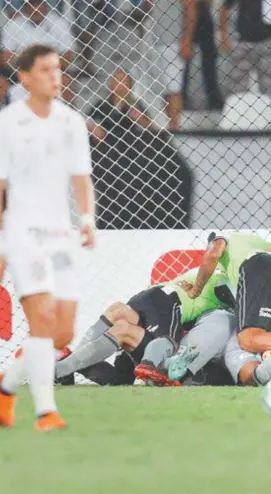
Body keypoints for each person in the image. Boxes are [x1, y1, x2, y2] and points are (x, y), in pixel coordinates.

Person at [0, 44, 95, 431]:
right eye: (45, 70)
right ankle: (46, 412)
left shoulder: (71, 122)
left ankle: (6, 386)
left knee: (62, 332)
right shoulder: (7, 124)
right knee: (41, 320)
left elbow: (82, 178)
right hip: (23, 234)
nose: (55, 76)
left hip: (61, 235)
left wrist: (88, 220)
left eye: (58, 69)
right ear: (25, 77)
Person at [55, 267, 234, 386]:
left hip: (145, 297)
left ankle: (71, 361)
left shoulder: (200, 272)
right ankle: (149, 365)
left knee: (121, 379)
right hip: (167, 301)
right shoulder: (224, 278)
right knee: (168, 342)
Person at [89, 69, 191, 229]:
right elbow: (91, 123)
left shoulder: (135, 106)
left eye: (124, 81)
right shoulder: (102, 106)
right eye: (117, 81)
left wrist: (140, 119)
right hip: (108, 154)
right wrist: (93, 129)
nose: (120, 85)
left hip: (132, 155)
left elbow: (150, 130)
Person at [183, 232, 271, 387]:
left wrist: (195, 289)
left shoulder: (224, 238)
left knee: (248, 338)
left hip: (258, 267)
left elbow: (213, 254)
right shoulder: (254, 241)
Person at [1, 0, 77, 103]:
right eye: (32, 4)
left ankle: (66, 116)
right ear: (25, 6)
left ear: (45, 4)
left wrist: (46, 70)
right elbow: (6, 58)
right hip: (22, 72)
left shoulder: (59, 23)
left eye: (39, 3)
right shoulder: (14, 25)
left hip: (51, 72)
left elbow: (67, 54)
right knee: (0, 83)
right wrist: (27, 70)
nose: (36, 8)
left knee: (66, 81)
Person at [149, 0, 198, 130]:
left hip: (173, 43)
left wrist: (187, 39)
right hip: (152, 42)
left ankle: (174, 127)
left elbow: (191, 8)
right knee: (160, 89)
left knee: (174, 88)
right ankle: (164, 127)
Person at [220, 0, 271, 98]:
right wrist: (224, 37)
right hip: (243, 41)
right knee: (237, 86)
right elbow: (224, 8)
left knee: (268, 84)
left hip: (267, 41)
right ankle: (237, 110)